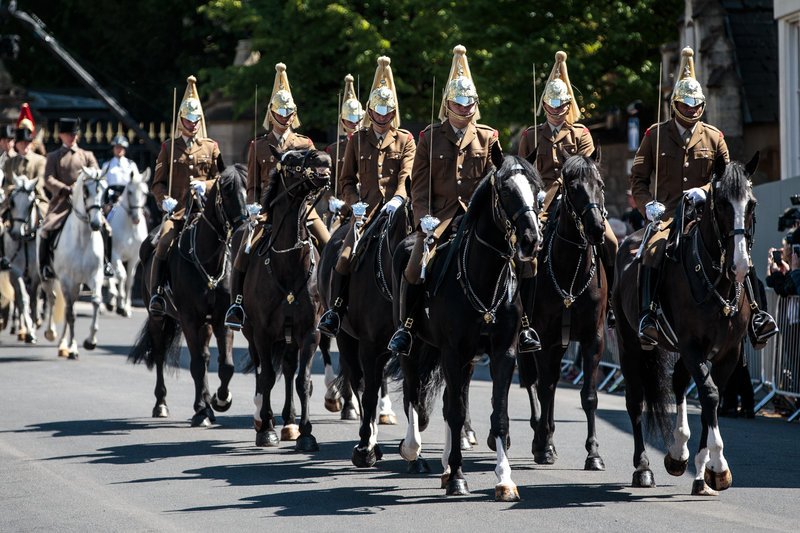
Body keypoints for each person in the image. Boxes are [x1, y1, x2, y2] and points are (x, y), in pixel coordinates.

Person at [631, 46, 777, 347]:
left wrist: (706, 190)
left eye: (696, 105)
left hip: (709, 214)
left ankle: (758, 316)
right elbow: (639, 178)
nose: (692, 110)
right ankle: (648, 315)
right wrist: (648, 205)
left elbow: (731, 179)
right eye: (686, 105)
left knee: (741, 255)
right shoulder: (655, 135)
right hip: (670, 214)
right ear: (675, 105)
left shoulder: (714, 137)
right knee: (653, 249)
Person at [387, 45, 500, 355]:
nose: (465, 110)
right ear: (448, 105)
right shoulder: (429, 138)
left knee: (517, 260)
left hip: (478, 217)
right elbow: (419, 187)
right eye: (459, 105)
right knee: (413, 265)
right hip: (440, 218)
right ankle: (407, 327)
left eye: (470, 105)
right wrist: (423, 217)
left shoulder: (488, 138)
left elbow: (494, 182)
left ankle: (523, 324)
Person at [517, 51, 616, 349]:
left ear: (569, 106)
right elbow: (523, 172)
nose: (556, 110)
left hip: (579, 202)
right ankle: (523, 318)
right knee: (523, 251)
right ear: (544, 104)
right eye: (551, 104)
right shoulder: (531, 135)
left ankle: (611, 307)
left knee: (611, 243)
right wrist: (536, 197)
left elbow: (586, 170)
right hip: (541, 207)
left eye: (561, 105)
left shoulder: (582, 135)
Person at [318, 56, 416, 337]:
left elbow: (406, 177)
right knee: (344, 255)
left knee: (418, 257)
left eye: (388, 112)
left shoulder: (406, 140)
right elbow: (346, 180)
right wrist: (353, 203)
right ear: (370, 112)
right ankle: (335, 310)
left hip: (399, 212)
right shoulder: (357, 140)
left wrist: (398, 199)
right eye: (378, 112)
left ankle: (413, 319)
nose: (383, 117)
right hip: (367, 212)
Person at [225, 63, 327, 329]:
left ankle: (331, 306)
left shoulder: (304, 144)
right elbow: (253, 187)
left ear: (294, 114)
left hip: (303, 210)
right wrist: (253, 207)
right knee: (245, 248)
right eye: (280, 112)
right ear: (271, 113)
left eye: (289, 112)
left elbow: (315, 179)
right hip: (269, 212)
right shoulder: (258, 146)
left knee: (329, 243)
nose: (285, 117)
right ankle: (237, 304)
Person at [148, 75, 224, 316]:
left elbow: (222, 179)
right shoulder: (169, 147)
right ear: (180, 120)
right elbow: (157, 183)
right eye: (188, 120)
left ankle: (233, 296)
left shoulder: (211, 147)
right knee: (163, 244)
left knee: (231, 244)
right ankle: (158, 293)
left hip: (205, 213)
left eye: (195, 120)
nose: (192, 124)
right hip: (179, 212)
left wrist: (207, 186)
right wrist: (163, 201)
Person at [38, 117, 108, 281]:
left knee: (107, 228)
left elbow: (96, 175)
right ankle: (46, 265)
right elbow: (48, 179)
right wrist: (65, 188)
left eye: (74, 134)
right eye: (68, 134)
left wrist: (83, 186)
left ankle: (105, 263)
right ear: (61, 135)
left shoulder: (87, 155)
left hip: (86, 204)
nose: (72, 137)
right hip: (62, 202)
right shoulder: (54, 156)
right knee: (46, 229)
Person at [323, 73, 364, 224]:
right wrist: (331, 199)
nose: (354, 124)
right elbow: (327, 184)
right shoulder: (333, 150)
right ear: (343, 121)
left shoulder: (370, 146)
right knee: (329, 242)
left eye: (358, 120)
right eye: (350, 121)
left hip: (366, 205)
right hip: (341, 208)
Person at [101, 134, 139, 208]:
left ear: (125, 149)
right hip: (110, 199)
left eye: (121, 147)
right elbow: (103, 182)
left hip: (128, 197)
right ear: (113, 149)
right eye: (117, 147)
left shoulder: (131, 164)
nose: (119, 150)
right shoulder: (107, 165)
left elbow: (137, 181)